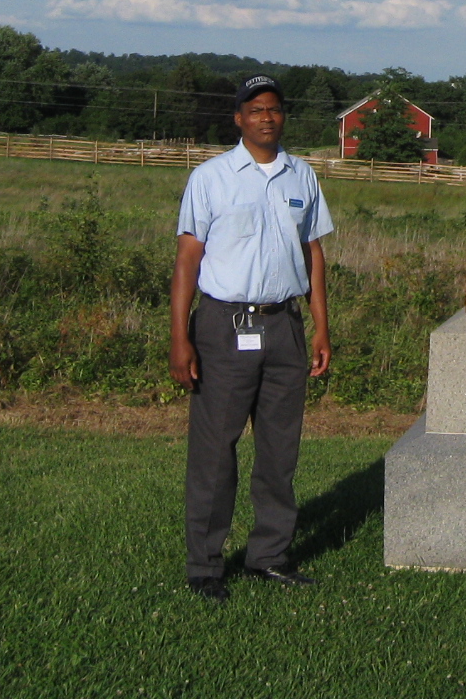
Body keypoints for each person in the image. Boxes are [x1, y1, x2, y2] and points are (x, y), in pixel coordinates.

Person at [171, 76, 333, 601]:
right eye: (256, 109)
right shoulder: (211, 178)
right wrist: (180, 337)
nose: (267, 117)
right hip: (223, 326)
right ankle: (206, 565)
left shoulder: (301, 176)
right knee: (216, 450)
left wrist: (320, 326)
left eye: (275, 110)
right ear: (238, 118)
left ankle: (270, 556)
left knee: (280, 451)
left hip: (283, 325)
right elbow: (188, 259)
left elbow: (313, 254)